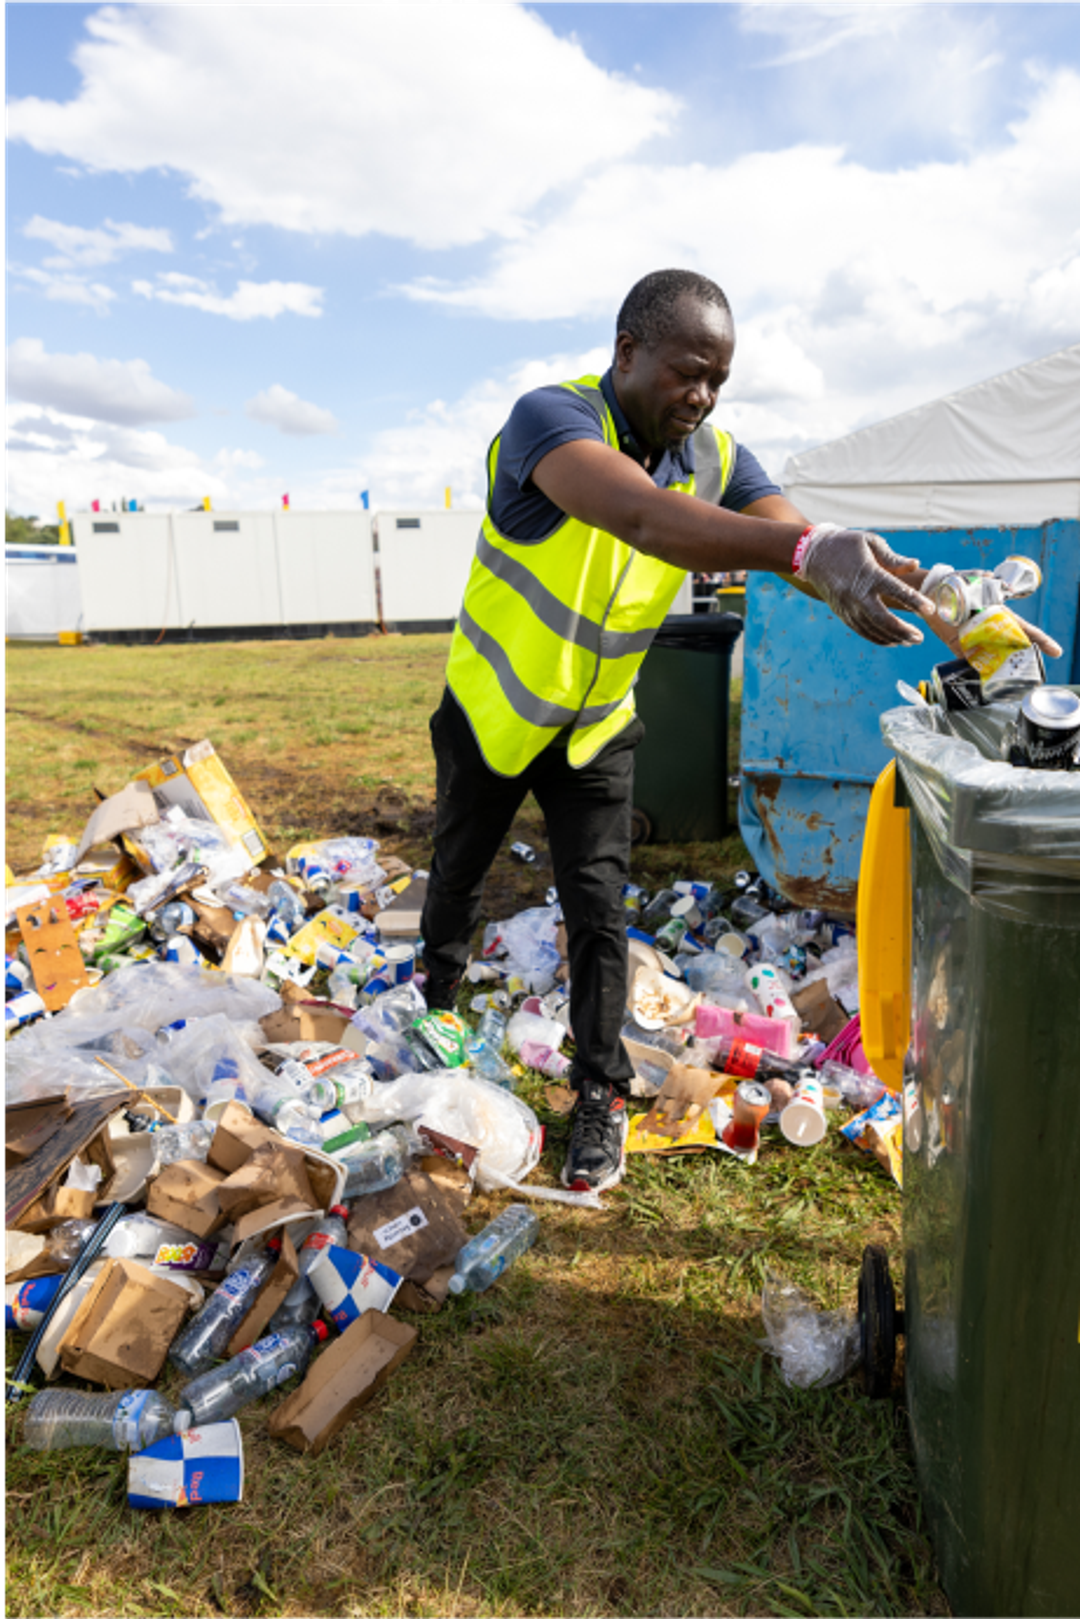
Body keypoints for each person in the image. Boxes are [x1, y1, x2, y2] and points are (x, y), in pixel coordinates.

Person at [419, 267, 1061, 1194]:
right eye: (688, 371)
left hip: (596, 728)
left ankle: (598, 1093)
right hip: (494, 710)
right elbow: (645, 518)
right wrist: (805, 549)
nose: (703, 395)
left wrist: (951, 607)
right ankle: (430, 1013)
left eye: (718, 379)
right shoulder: (549, 421)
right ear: (627, 353)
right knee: (455, 879)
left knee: (601, 910)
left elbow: (809, 544)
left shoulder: (717, 456)